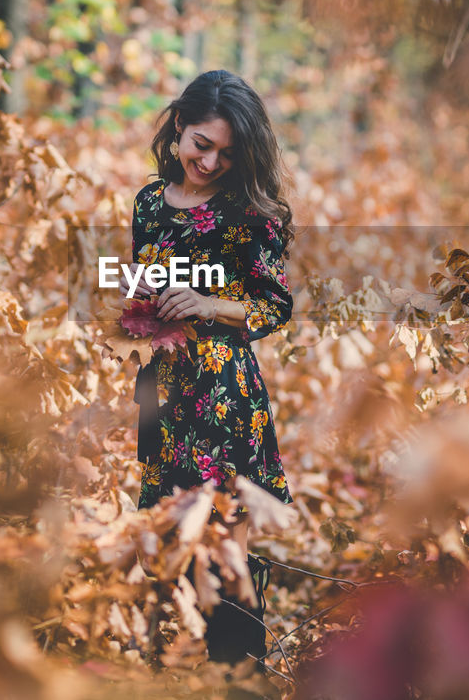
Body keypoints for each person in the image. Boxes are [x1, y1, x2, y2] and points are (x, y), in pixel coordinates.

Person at [128, 69, 294, 667]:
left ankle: (240, 673)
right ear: (179, 126)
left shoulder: (251, 212)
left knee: (226, 541)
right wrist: (136, 305)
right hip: (162, 387)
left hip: (222, 391)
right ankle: (169, 669)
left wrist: (208, 304)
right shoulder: (150, 202)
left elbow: (275, 305)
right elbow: (139, 284)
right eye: (203, 145)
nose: (212, 161)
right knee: (163, 539)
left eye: (228, 152)